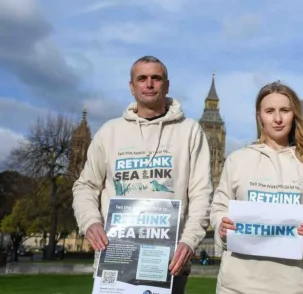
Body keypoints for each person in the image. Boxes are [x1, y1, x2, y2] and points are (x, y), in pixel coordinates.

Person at [72, 56, 213, 294]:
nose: (149, 84)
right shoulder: (110, 132)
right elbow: (85, 186)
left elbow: (202, 194)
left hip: (169, 265)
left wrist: (189, 241)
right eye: (142, 78)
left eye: (156, 78)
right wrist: (90, 222)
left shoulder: (190, 131)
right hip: (115, 262)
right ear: (132, 86)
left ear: (166, 85)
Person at [210, 81, 303, 294]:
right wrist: (221, 225)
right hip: (238, 285)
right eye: (270, 111)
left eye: (284, 110)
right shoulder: (238, 160)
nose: (277, 118)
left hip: (293, 284)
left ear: (294, 114)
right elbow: (219, 208)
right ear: (260, 117)